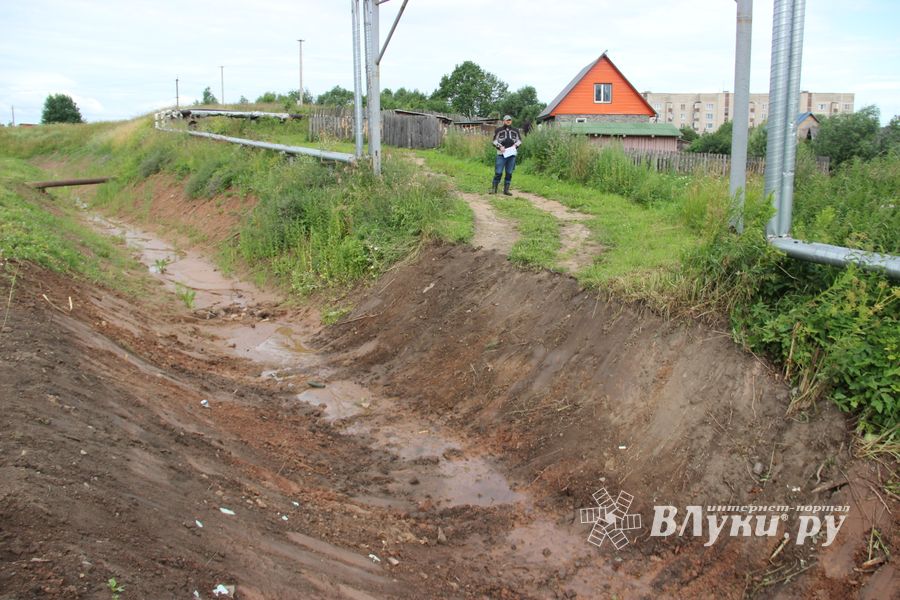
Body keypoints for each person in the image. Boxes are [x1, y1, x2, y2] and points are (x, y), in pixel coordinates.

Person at [491, 115, 522, 195]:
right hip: (501, 154)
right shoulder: (498, 130)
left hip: (511, 155)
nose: (508, 121)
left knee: (509, 172)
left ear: (511, 121)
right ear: (503, 121)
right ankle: (494, 189)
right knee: (498, 172)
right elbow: (494, 141)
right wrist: (500, 146)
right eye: (507, 120)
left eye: (510, 120)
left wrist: (515, 145)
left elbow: (519, 141)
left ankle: (506, 190)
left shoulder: (516, 130)